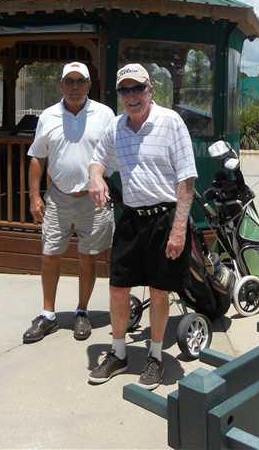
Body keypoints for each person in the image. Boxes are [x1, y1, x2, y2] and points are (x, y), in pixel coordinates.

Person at [87, 63, 197, 390]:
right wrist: (96, 177)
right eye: (125, 90)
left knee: (160, 291)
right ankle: (118, 353)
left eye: (138, 89)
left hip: (165, 219)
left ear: (150, 90)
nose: (132, 96)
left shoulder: (170, 122)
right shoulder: (116, 127)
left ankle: (155, 356)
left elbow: (186, 180)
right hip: (132, 219)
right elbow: (98, 160)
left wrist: (179, 230)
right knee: (118, 288)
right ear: (119, 95)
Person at [22, 62, 116, 344]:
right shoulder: (48, 116)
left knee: (88, 258)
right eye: (69, 81)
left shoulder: (105, 114)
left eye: (80, 81)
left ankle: (82, 311)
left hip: (93, 200)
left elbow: (115, 152)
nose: (75, 87)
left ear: (89, 85)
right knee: (50, 255)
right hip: (58, 198)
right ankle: (48, 315)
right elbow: (37, 157)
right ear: (61, 85)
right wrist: (35, 196)